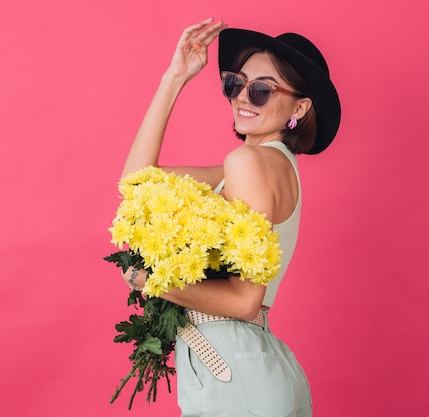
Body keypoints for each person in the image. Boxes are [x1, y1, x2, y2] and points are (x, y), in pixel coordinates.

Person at [120, 17, 340, 417]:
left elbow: (243, 301)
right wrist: (175, 77)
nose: (242, 97)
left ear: (300, 107)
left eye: (261, 90)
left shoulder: (248, 164)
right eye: (235, 83)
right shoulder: (264, 167)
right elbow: (137, 184)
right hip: (246, 368)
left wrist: (150, 280)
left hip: (235, 376)